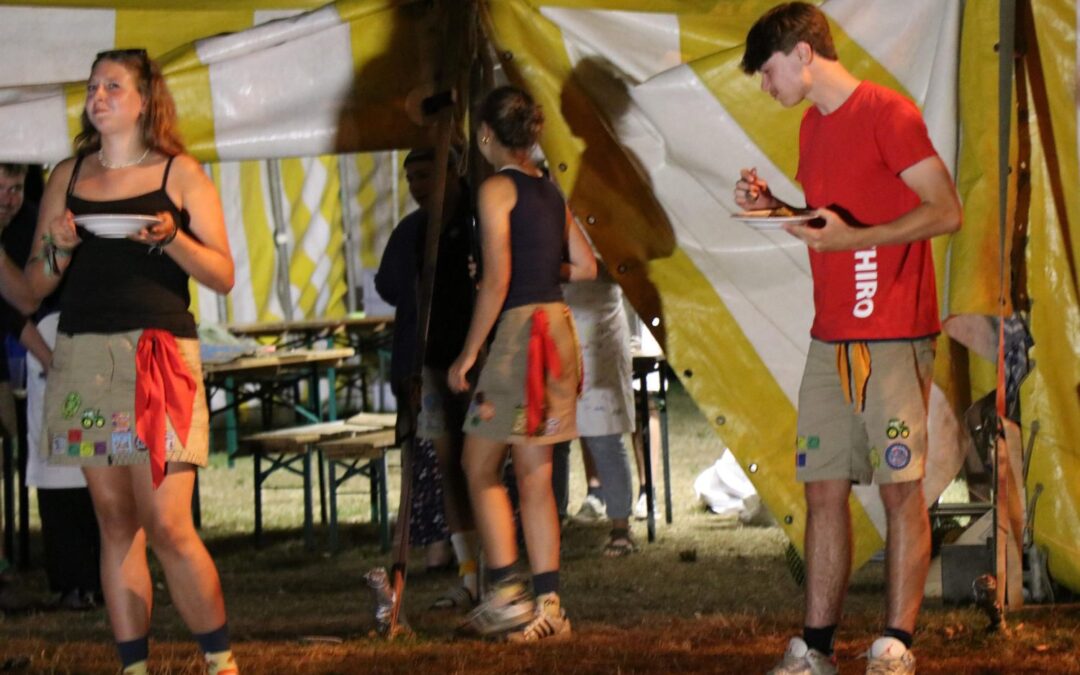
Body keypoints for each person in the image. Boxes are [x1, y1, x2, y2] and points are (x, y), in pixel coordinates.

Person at [735, 4, 962, 674]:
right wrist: (774, 207)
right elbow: (831, 221)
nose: (765, 86)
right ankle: (816, 647)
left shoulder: (889, 113)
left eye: (767, 71)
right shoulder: (811, 127)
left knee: (899, 489)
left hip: (893, 331)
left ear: (804, 53)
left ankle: (895, 643)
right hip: (830, 335)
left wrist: (858, 238)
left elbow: (946, 210)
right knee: (822, 490)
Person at [26, 49, 238, 675]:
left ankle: (220, 662)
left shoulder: (179, 174)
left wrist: (173, 238)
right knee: (115, 522)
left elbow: (223, 274)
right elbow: (37, 284)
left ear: (145, 100)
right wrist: (58, 246)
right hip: (84, 354)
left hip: (159, 354)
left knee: (168, 523)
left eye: (113, 86)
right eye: (93, 86)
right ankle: (133, 667)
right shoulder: (67, 175)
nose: (98, 96)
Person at [448, 85, 596, 642]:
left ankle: (508, 594)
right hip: (557, 328)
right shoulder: (550, 191)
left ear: (486, 134)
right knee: (535, 476)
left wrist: (468, 354)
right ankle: (549, 606)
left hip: (522, 336)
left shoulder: (495, 189)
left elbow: (497, 281)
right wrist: (542, 265)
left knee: (478, 464)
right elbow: (586, 267)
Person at [374, 147, 480, 607]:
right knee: (449, 463)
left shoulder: (478, 219)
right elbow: (388, 286)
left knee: (482, 464)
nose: (418, 186)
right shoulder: (412, 230)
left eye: (425, 174)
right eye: (411, 178)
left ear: (453, 171)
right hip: (430, 363)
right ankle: (470, 572)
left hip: (477, 359)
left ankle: (498, 570)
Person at [1, 163, 102, 611]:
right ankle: (72, 579)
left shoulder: (33, 221)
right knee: (60, 466)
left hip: (74, 338)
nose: (8, 199)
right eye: (1, 188)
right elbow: (16, 305)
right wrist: (45, 356)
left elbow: (23, 299)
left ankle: (93, 576)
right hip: (49, 344)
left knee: (87, 459)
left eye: (15, 188)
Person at [552, 264, 637, 556]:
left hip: (598, 329)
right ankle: (551, 521)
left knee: (604, 436)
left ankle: (620, 527)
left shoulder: (607, 232)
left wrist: (555, 266)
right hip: (552, 326)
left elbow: (621, 266)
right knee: (552, 437)